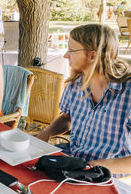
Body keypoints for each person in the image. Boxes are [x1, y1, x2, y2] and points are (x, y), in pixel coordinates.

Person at [37, 24, 131, 177]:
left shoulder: (128, 91)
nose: (66, 55)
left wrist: (91, 167)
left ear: (92, 55)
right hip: (73, 159)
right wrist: (43, 135)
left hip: (107, 173)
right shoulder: (75, 83)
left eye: (72, 50)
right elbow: (67, 118)